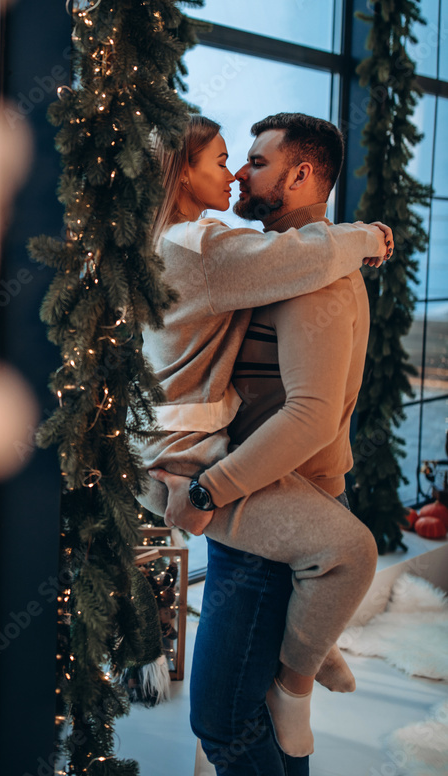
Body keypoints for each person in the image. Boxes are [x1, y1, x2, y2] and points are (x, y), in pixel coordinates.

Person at [135, 114, 392, 772]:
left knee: (222, 721)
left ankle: (296, 676)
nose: (238, 173)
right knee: (245, 722)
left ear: (301, 175)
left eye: (250, 160)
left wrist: (205, 490)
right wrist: (359, 237)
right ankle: (299, 661)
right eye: (227, 160)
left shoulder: (309, 274)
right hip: (240, 486)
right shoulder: (236, 257)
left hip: (252, 495)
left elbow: (309, 415)